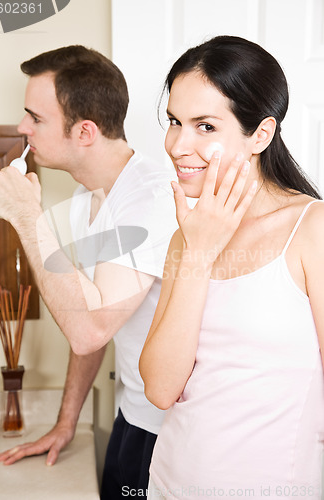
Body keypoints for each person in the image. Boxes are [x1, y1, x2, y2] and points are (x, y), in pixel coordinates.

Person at [139, 35, 324, 499]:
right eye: (174, 122)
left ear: (260, 134)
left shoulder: (311, 228)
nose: (179, 145)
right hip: (169, 484)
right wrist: (198, 252)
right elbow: (161, 389)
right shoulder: (189, 236)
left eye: (205, 126)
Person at [0, 45, 177, 499]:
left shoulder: (148, 201)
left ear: (85, 131)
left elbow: (88, 330)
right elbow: (90, 311)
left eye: (35, 117)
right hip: (131, 416)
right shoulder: (85, 201)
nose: (22, 128)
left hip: (171, 433)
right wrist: (66, 423)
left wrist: (25, 216)